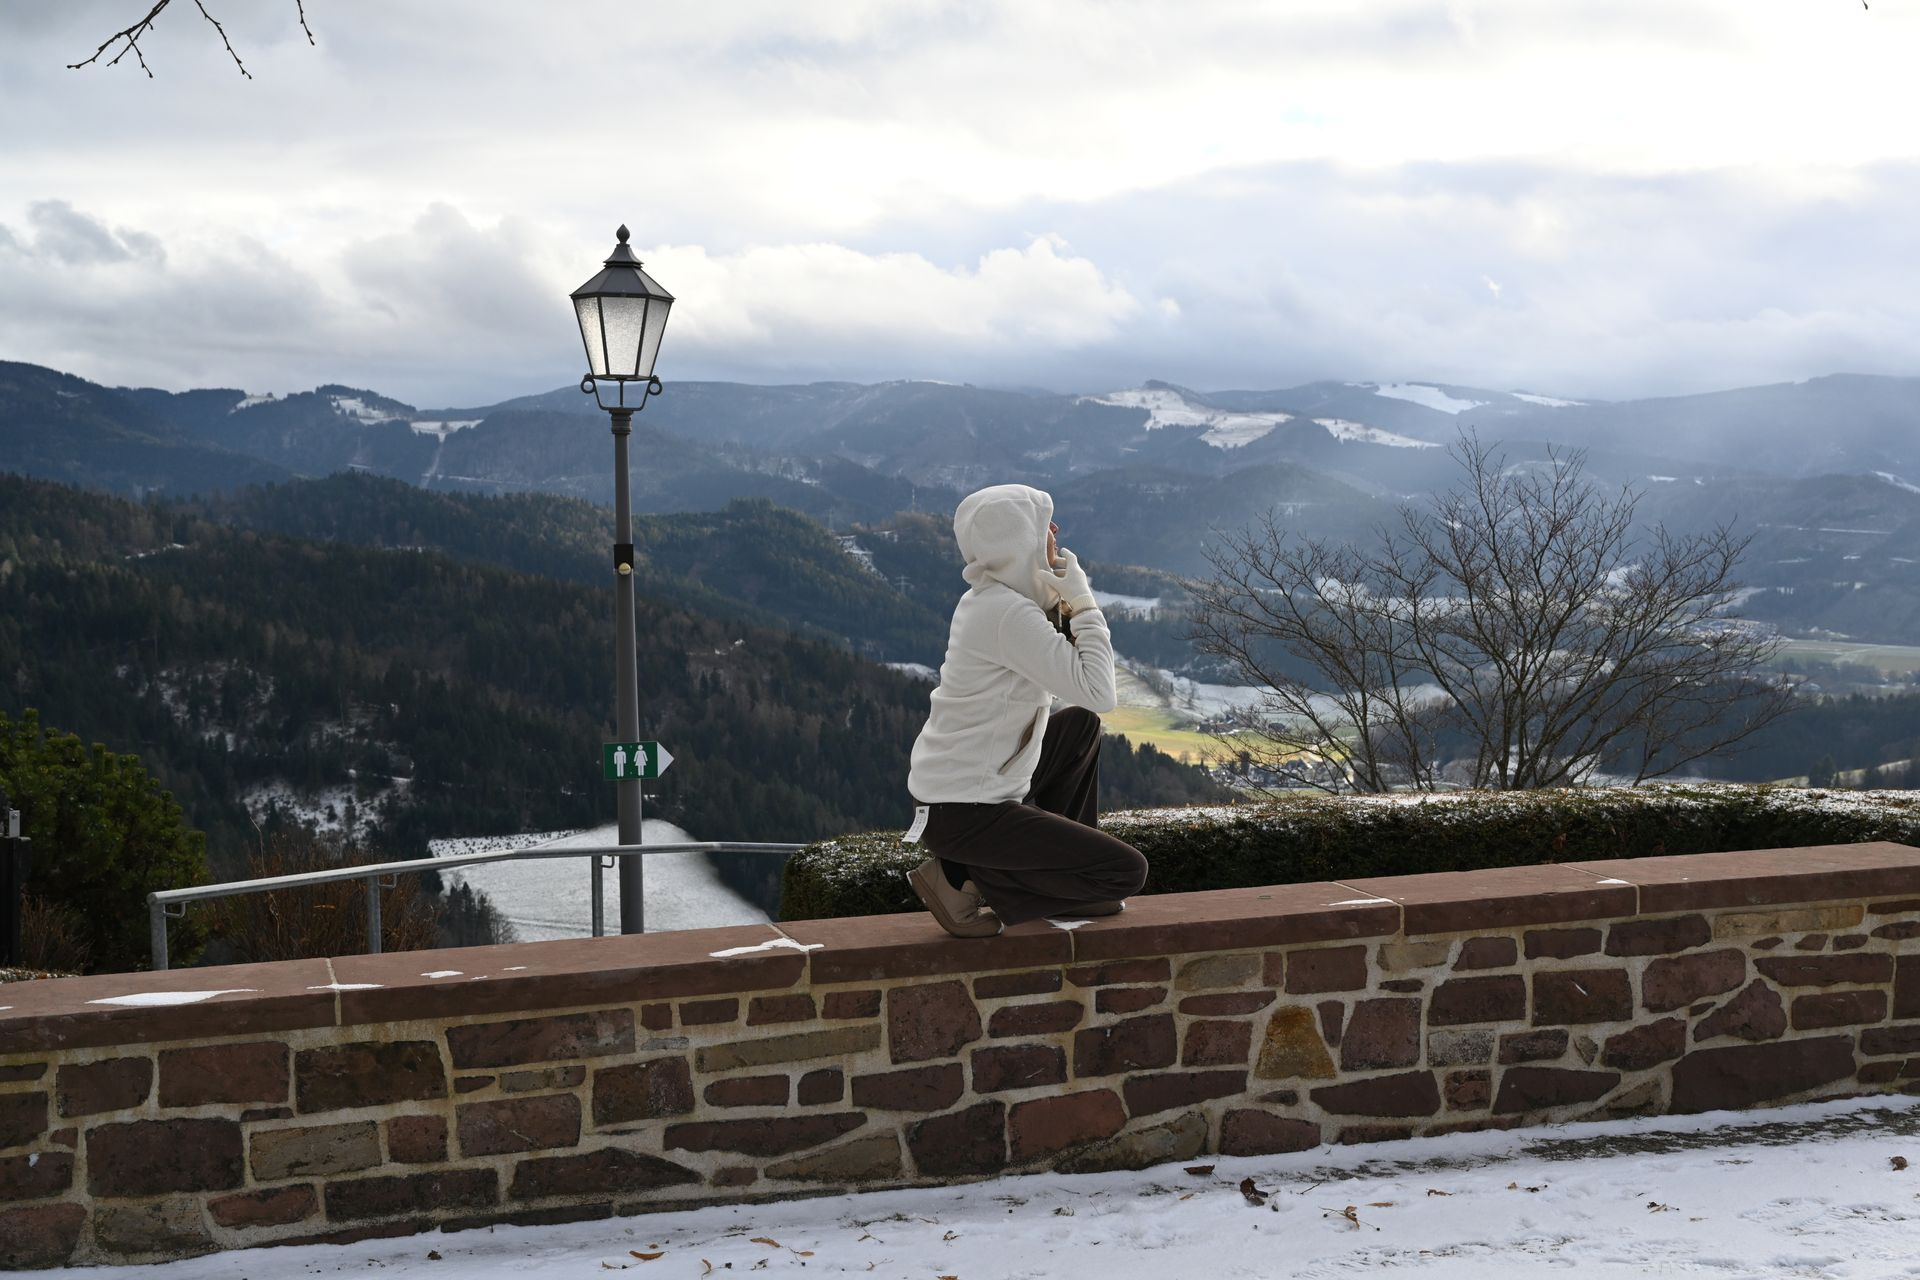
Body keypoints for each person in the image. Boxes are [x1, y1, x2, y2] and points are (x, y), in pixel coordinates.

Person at [903, 483, 1149, 937]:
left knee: (1079, 726)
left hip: (963, 793)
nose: (1054, 531)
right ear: (1016, 539)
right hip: (965, 811)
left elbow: (1081, 693)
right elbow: (1099, 690)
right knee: (1124, 872)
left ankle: (1064, 875)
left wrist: (1059, 599)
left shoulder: (996, 600)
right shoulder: (1006, 614)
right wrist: (1083, 602)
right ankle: (956, 877)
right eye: (1043, 525)